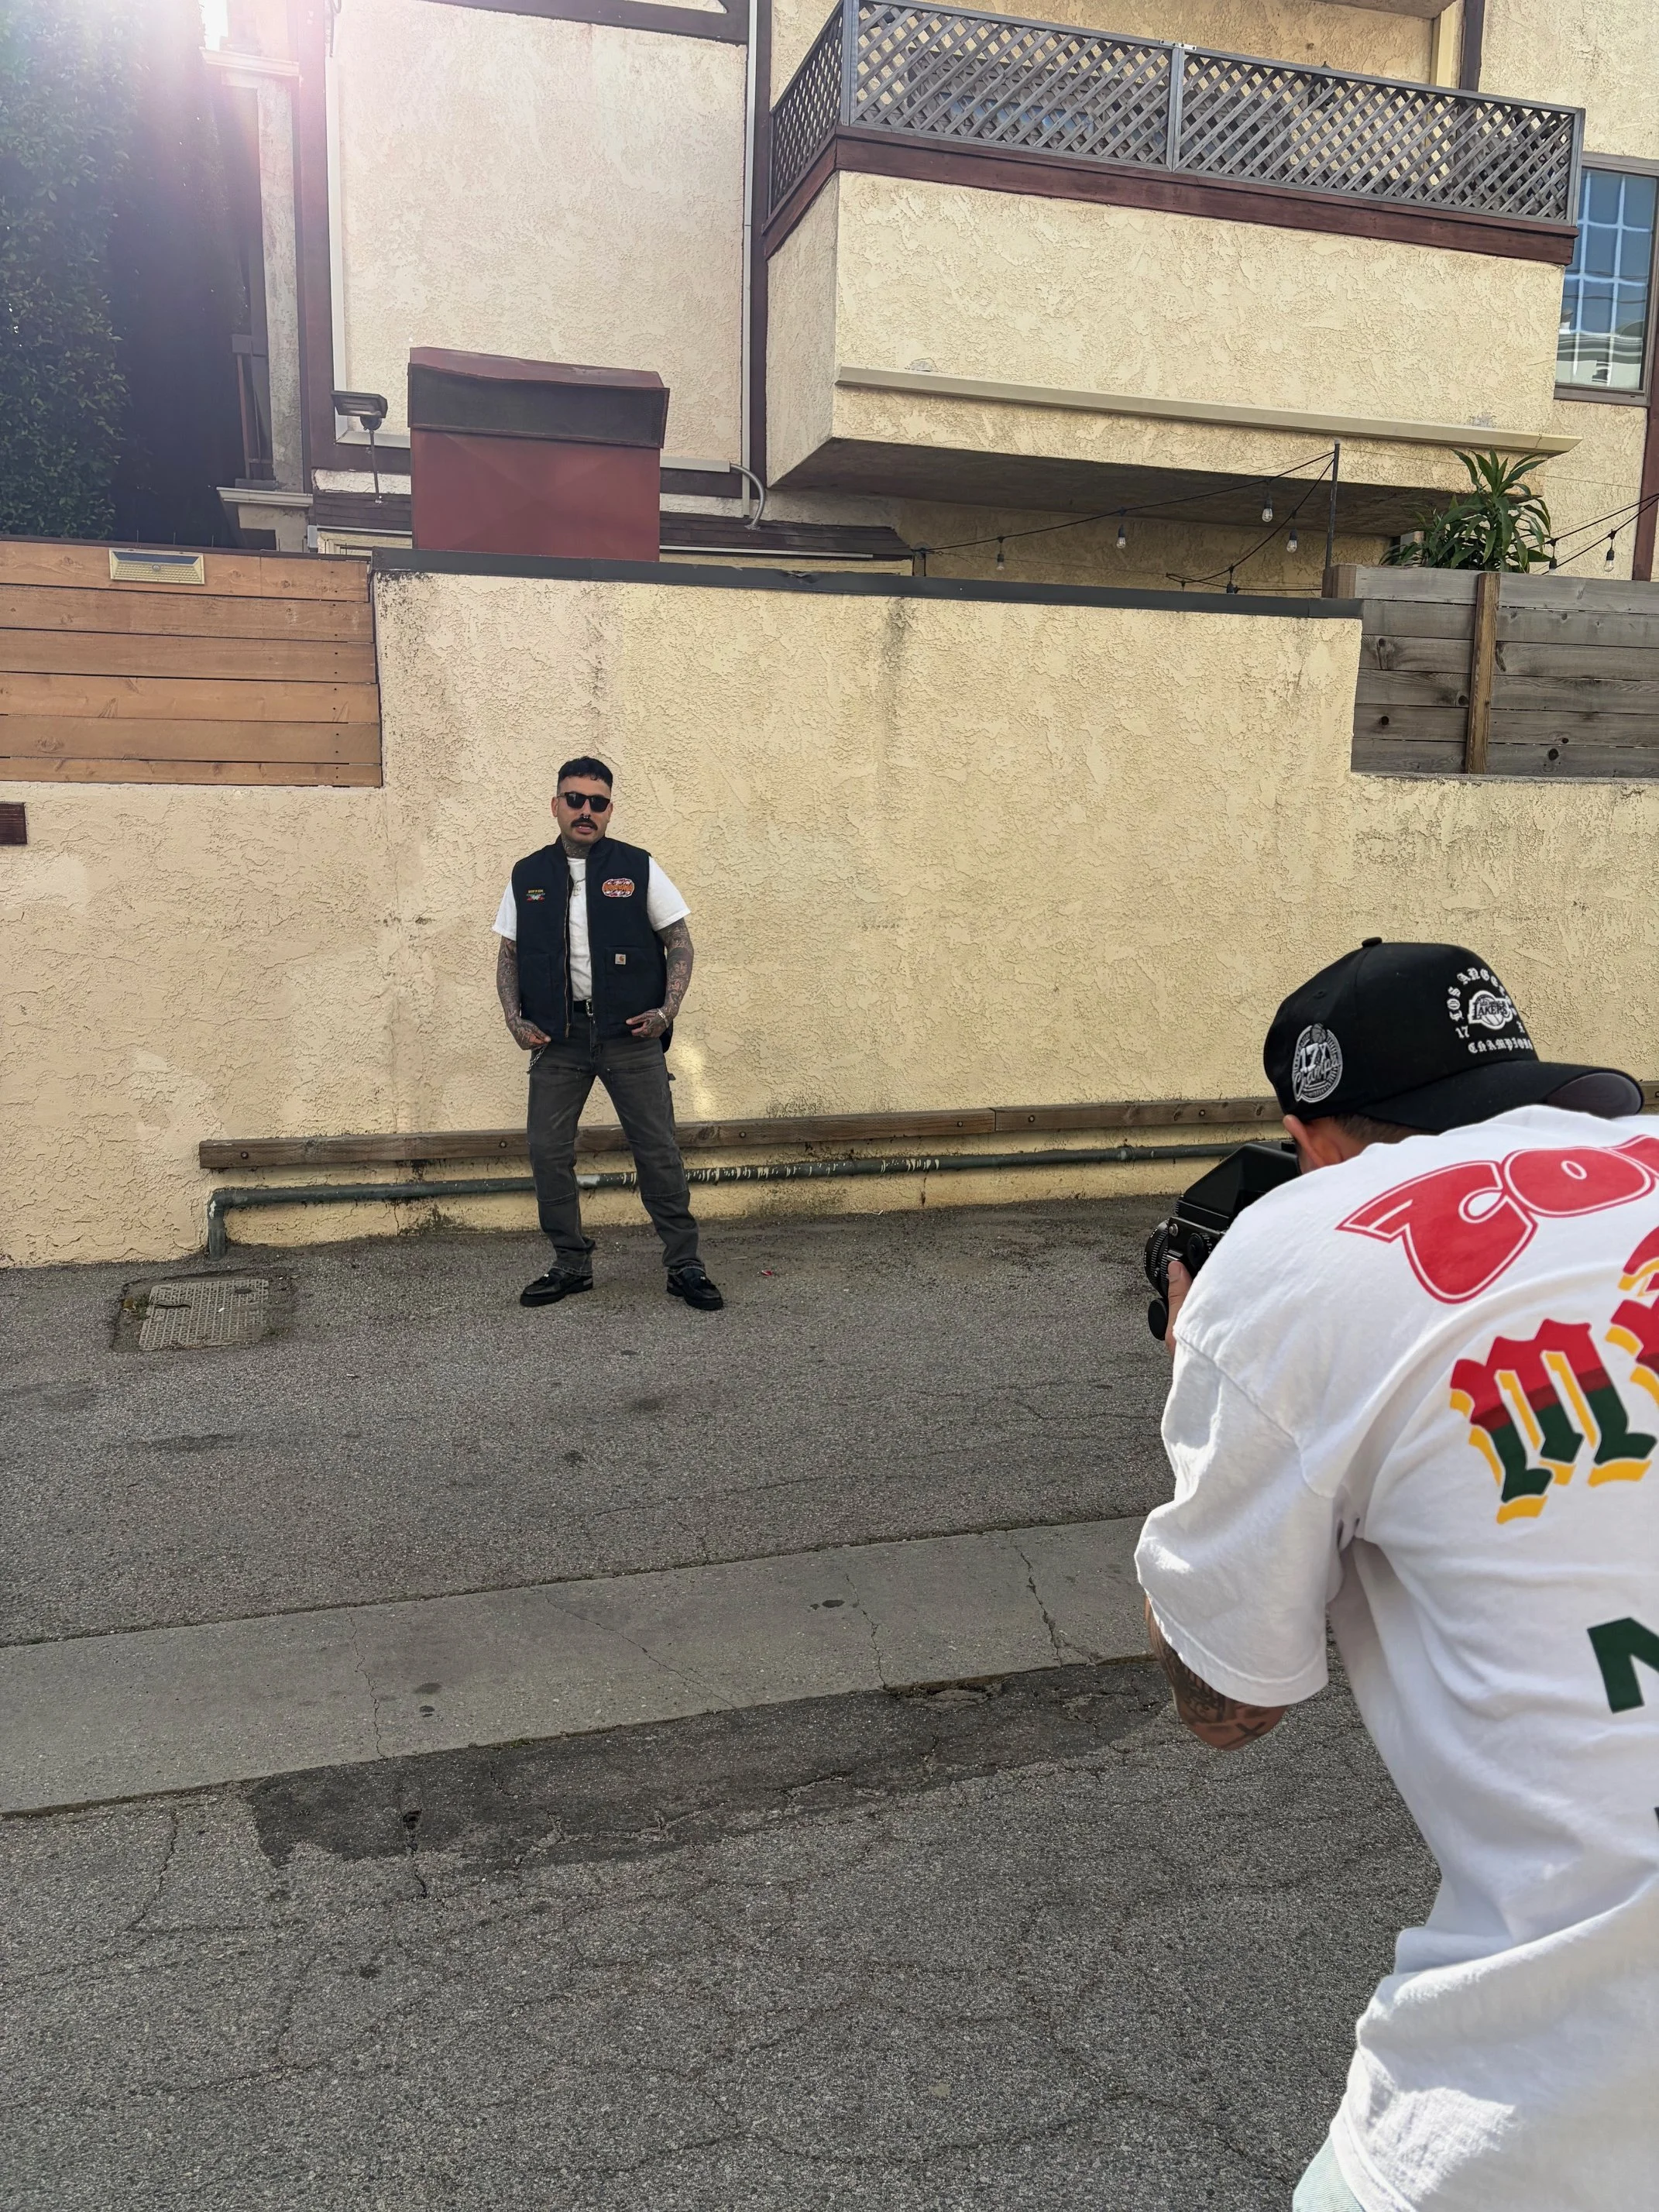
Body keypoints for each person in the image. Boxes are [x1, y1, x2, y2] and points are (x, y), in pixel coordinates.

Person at [1135, 939, 1657, 2212]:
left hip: (1576, 2075)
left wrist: (1206, 1350)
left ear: (1304, 1131)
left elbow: (1227, 1700)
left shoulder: (1296, 1251)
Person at [493, 755, 723, 1311]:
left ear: (610, 810)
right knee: (548, 1150)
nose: (586, 811)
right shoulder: (529, 875)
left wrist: (666, 1012)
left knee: (658, 1151)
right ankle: (570, 1264)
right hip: (558, 1039)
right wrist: (514, 1019)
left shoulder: (637, 867)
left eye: (598, 802)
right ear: (556, 806)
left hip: (631, 1035)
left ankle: (684, 1265)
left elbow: (681, 942)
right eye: (575, 800)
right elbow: (509, 953)